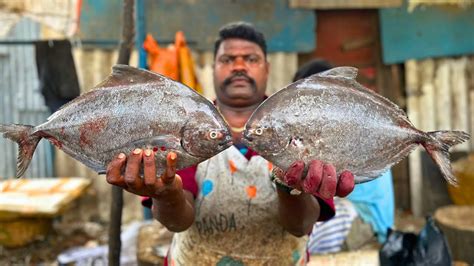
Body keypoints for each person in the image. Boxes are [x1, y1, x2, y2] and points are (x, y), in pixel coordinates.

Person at [105, 22, 355, 265]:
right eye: (227, 59)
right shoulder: (186, 129)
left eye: (251, 59)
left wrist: (290, 187)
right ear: (213, 68)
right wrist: (166, 194)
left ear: (267, 68)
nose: (238, 66)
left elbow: (301, 226)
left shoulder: (301, 130)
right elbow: (177, 222)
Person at [292, 59, 395, 254]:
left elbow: (326, 189)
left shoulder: (345, 128)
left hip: (367, 219)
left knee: (306, 229)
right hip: (349, 208)